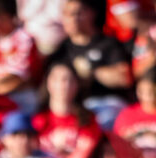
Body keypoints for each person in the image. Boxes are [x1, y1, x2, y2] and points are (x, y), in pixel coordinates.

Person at [51, 0, 132, 129]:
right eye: (67, 14)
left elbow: (123, 78)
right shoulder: (62, 50)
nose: (72, 19)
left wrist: (91, 71)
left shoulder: (107, 43)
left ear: (91, 14)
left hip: (107, 103)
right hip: (74, 106)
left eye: (78, 13)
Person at [32, 61, 102, 158]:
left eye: (69, 79)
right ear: (48, 83)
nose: (64, 84)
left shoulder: (87, 120)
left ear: (76, 85)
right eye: (57, 79)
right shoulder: (37, 121)